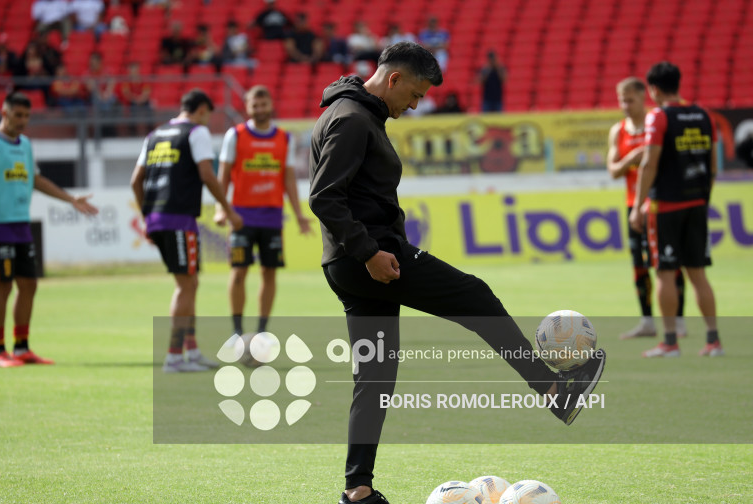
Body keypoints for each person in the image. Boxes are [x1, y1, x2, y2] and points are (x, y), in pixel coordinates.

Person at [308, 41, 606, 504]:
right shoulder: (351, 119)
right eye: (416, 94)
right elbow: (325, 196)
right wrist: (369, 252)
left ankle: (357, 490)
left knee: (376, 376)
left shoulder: (351, 110)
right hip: (371, 259)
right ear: (394, 79)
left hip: (351, 261)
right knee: (476, 296)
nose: (415, 104)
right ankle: (553, 390)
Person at [0, 92, 99, 368]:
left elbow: (35, 180)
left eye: (26, 116)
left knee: (29, 285)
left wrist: (70, 199)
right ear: (4, 113)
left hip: (21, 225)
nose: (22, 121)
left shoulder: (25, 145)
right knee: (3, 286)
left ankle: (22, 347)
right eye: (18, 115)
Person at [131, 89, 243, 373]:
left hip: (157, 217)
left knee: (190, 283)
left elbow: (136, 181)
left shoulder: (154, 135)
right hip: (178, 219)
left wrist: (147, 216)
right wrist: (228, 210)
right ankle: (173, 356)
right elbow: (207, 174)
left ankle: (191, 352)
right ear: (202, 110)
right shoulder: (196, 132)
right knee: (185, 285)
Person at [629, 61, 723, 358]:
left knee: (665, 274)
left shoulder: (658, 117)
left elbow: (650, 163)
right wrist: (704, 199)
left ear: (653, 89)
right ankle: (713, 341)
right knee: (698, 274)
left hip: (665, 206)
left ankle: (669, 342)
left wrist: (638, 207)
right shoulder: (703, 114)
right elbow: (712, 166)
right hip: (697, 203)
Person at [215, 85, 312, 339]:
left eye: (263, 104)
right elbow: (223, 175)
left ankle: (261, 332)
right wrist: (220, 208)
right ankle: (237, 331)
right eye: (254, 106)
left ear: (270, 105)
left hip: (272, 216)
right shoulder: (235, 135)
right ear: (246, 108)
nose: (259, 110)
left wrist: (299, 214)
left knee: (269, 273)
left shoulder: (284, 138)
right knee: (239, 271)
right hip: (240, 217)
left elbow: (289, 179)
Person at [607, 77, 687, 340]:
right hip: (632, 205)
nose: (626, 105)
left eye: (630, 100)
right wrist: (632, 158)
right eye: (622, 100)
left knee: (668, 262)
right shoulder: (618, 131)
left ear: (644, 98)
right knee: (639, 265)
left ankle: (678, 321)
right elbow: (613, 171)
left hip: (658, 202)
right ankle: (647, 321)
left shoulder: (658, 122)